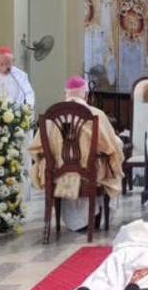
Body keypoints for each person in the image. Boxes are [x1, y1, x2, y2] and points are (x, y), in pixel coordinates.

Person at [29, 77, 124, 232]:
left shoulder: (51, 114)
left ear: (66, 94)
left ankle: (75, 220)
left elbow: (36, 147)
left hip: (57, 174)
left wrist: (56, 159)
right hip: (89, 174)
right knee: (108, 165)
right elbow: (110, 145)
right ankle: (95, 218)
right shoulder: (96, 114)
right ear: (86, 94)